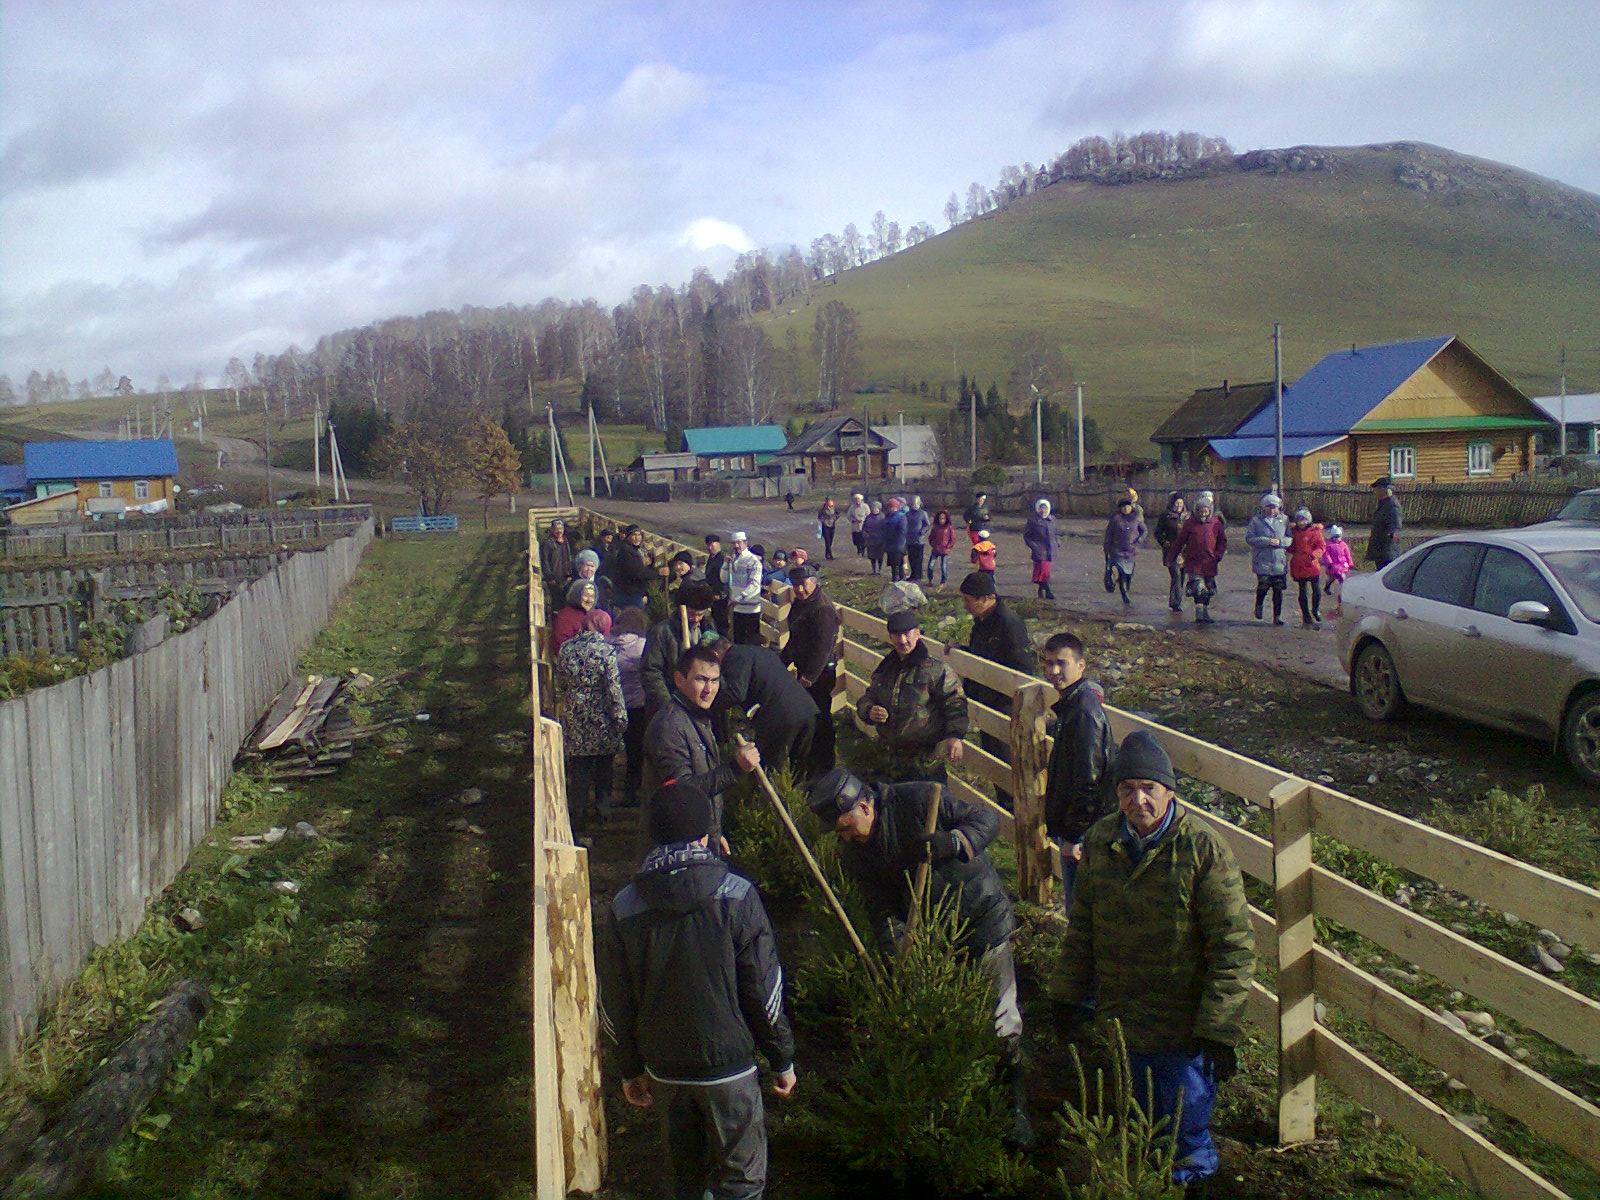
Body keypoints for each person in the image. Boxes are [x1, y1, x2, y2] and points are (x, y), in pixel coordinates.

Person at [1056, 731, 1255, 1190]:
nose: (1138, 799)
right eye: (1127, 789)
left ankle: (1193, 1184)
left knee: (1185, 1123)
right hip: (1122, 1016)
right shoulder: (1102, 841)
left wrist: (1219, 1028)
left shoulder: (1202, 849)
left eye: (1148, 787)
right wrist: (1067, 995)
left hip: (1182, 1024)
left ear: (1168, 790)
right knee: (1134, 1118)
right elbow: (1082, 927)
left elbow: (1233, 945)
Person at [808, 768, 1033, 1149]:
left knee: (1001, 1017)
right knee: (950, 1018)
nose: (843, 837)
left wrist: (954, 842)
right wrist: (898, 950)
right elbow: (879, 908)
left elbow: (986, 818)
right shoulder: (856, 852)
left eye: (845, 827)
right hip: (933, 939)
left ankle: (1013, 1108)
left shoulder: (917, 799)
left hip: (979, 916)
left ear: (865, 806)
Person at [598, 781, 796, 1200]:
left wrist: (630, 1067)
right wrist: (781, 1057)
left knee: (683, 1178)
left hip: (665, 1068)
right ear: (705, 836)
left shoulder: (624, 906)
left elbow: (616, 999)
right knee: (741, 1179)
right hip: (730, 1066)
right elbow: (763, 987)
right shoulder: (738, 896)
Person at [641, 645, 763, 850]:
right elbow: (683, 794)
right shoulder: (670, 727)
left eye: (714, 681)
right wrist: (735, 768)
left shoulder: (698, 716)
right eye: (701, 680)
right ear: (679, 680)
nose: (709, 690)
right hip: (677, 849)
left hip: (701, 840)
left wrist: (714, 834)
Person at [1040, 632, 1113, 914]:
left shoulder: (1083, 712)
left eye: (1061, 663)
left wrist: (1074, 835)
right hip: (1079, 826)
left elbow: (1089, 779)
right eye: (1048, 664)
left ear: (1081, 666)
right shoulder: (1074, 705)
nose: (1054, 671)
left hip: (1084, 832)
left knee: (1080, 910)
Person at [856, 609, 967, 783]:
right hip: (889, 758)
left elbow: (955, 703)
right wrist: (870, 711)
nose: (902, 640)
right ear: (891, 637)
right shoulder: (885, 669)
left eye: (906, 634)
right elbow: (867, 698)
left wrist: (955, 735)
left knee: (928, 806)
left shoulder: (935, 670)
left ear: (917, 634)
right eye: (896, 635)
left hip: (925, 761)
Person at [959, 571, 1033, 809]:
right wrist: (961, 652)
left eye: (968, 601)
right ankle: (1003, 810)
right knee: (993, 761)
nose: (965, 607)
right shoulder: (982, 622)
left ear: (985, 598)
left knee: (1006, 762)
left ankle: (1014, 812)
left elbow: (1023, 670)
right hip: (985, 702)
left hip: (1004, 706)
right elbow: (980, 655)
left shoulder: (1009, 625)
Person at [555, 626, 627, 838]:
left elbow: (561, 682)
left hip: (575, 714)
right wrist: (621, 718)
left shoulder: (566, 648)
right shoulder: (606, 651)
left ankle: (578, 813)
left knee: (580, 770)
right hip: (601, 717)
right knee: (604, 768)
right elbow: (614, 689)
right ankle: (603, 810)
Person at [709, 639, 820, 773]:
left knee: (774, 768)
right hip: (806, 709)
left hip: (780, 718)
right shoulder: (760, 652)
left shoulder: (734, 657)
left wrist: (709, 706)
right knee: (798, 768)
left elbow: (735, 693)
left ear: (715, 654)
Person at [780, 563, 840, 771]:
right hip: (804, 668)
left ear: (814, 582)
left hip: (819, 673)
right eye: (795, 585)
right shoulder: (800, 604)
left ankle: (825, 762)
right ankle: (810, 756)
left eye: (803, 584)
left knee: (820, 715)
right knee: (808, 714)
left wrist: (809, 676)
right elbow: (795, 638)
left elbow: (823, 648)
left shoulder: (822, 609)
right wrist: (781, 662)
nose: (799, 589)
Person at [641, 581, 717, 715]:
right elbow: (651, 671)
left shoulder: (709, 628)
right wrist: (668, 705)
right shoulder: (662, 632)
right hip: (671, 704)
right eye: (691, 614)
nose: (696, 619)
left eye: (700, 614)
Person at [608, 606, 651, 805]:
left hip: (611, 704)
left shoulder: (607, 643)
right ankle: (631, 792)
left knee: (608, 751)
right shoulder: (643, 646)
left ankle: (605, 793)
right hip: (637, 706)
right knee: (635, 751)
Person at [1174, 494, 1227, 624]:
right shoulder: (1190, 524)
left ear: (1210, 510)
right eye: (1201, 511)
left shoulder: (1216, 523)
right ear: (1196, 511)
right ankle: (1199, 613)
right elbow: (1180, 541)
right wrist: (1173, 556)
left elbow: (1222, 541)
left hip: (1210, 562)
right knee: (1198, 588)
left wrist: (1218, 555)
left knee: (1208, 590)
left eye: (1206, 511)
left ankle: (1205, 612)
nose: (1203, 513)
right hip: (1193, 562)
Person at [1246, 494, 1290, 626]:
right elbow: (1249, 538)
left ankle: (1277, 616)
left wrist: (1281, 541)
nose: (1272, 510)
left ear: (1279, 508)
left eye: (1274, 508)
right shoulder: (1256, 521)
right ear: (1264, 507)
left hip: (1279, 561)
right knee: (1263, 587)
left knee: (1278, 590)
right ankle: (1259, 605)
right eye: (1269, 507)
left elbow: (1290, 537)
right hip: (1263, 560)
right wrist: (1267, 541)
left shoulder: (1285, 520)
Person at [1102, 496, 1146, 605]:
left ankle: (1125, 587)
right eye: (1123, 507)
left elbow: (1144, 530)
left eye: (1128, 506)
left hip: (1131, 551)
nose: (1126, 509)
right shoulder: (1115, 519)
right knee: (1121, 574)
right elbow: (1108, 534)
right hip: (1117, 551)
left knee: (1129, 575)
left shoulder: (1137, 518)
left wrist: (1140, 539)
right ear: (1120, 508)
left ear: (1131, 507)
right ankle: (1124, 594)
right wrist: (1106, 549)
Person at [1289, 506, 1327, 628]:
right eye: (1299, 520)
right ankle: (1306, 615)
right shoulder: (1294, 532)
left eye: (1304, 520)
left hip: (1311, 564)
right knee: (1302, 590)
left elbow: (1321, 546)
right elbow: (1291, 547)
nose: (1301, 522)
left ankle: (1315, 610)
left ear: (1308, 520)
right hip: (1299, 564)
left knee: (1316, 589)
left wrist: (1314, 555)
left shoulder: (1315, 532)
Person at [724, 531, 764, 645]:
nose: (736, 546)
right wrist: (725, 564)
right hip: (737, 608)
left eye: (739, 543)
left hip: (750, 609)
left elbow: (755, 584)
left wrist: (739, 598)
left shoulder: (753, 561)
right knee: (738, 641)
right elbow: (723, 579)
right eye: (734, 543)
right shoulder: (734, 560)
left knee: (752, 642)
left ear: (746, 543)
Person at [552, 578, 613, 651]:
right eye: (585, 595)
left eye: (592, 596)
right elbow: (560, 646)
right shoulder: (566, 616)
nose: (589, 600)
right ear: (576, 595)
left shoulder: (596, 616)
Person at [1153, 493, 1189, 613]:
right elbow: (1157, 533)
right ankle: (1175, 604)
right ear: (1172, 503)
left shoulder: (1188, 517)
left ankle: (1175, 601)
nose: (1179, 505)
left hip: (1185, 552)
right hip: (1171, 551)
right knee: (1176, 576)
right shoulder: (1165, 516)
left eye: (1181, 502)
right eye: (1177, 503)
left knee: (1182, 577)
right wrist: (1164, 543)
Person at [612, 525, 657, 611]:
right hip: (629, 594)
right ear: (628, 536)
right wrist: (658, 573)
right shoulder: (626, 551)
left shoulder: (635, 550)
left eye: (639, 535)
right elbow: (638, 573)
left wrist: (650, 564)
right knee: (634, 618)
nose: (637, 538)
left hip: (634, 592)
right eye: (634, 535)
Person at [1024, 498, 1059, 600]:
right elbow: (1027, 536)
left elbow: (1055, 533)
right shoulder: (1033, 521)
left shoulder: (1052, 520)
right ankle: (1048, 591)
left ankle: (1041, 589)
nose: (1043, 510)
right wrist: (1034, 547)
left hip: (1050, 550)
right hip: (1039, 550)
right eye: (1041, 508)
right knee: (1044, 571)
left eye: (1045, 508)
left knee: (1045, 572)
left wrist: (1057, 542)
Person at [1368, 476, 1403, 568]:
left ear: (1384, 490)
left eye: (1377, 488)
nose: (1375, 491)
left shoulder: (1392, 506)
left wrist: (1393, 533)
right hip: (1380, 550)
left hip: (1387, 552)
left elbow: (1395, 524)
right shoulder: (1383, 504)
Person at [1323, 525, 1354, 617]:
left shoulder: (1343, 545)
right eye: (1335, 537)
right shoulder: (1328, 545)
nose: (1337, 539)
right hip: (1333, 566)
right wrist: (1329, 563)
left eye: (1338, 537)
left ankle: (1341, 592)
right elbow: (1326, 555)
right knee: (1332, 578)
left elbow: (1347, 554)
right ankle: (1328, 587)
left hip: (1342, 565)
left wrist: (1350, 562)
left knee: (1341, 578)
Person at [574, 549, 616, 614]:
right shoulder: (574, 584)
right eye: (587, 565)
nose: (589, 569)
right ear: (580, 566)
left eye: (592, 566)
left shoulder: (601, 583)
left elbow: (605, 606)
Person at [704, 534, 730, 635]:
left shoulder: (723, 558)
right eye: (708, 545)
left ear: (718, 543)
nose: (710, 547)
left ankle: (723, 642)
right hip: (712, 594)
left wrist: (721, 593)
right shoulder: (711, 557)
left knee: (721, 621)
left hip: (720, 596)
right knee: (714, 619)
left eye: (712, 544)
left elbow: (725, 578)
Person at [539, 518, 574, 584]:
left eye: (561, 529)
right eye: (556, 529)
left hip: (565, 578)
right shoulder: (547, 543)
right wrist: (550, 577)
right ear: (552, 530)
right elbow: (545, 561)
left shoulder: (565, 541)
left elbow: (568, 558)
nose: (559, 531)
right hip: (553, 579)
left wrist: (569, 574)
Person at [905, 495, 931, 583]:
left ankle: (918, 575)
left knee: (918, 559)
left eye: (916, 504)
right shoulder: (907, 514)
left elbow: (927, 525)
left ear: (920, 504)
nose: (915, 505)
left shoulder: (923, 513)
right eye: (913, 504)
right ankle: (913, 574)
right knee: (911, 558)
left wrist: (922, 532)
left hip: (919, 540)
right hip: (909, 540)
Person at [882, 496, 909, 581]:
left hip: (898, 544)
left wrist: (893, 537)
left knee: (899, 562)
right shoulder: (888, 516)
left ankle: (901, 578)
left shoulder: (901, 517)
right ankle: (895, 578)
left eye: (892, 507)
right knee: (893, 563)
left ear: (896, 507)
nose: (891, 509)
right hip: (890, 544)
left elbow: (902, 531)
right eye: (889, 507)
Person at [862, 501, 886, 575]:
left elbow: (886, 528)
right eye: (873, 508)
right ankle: (873, 570)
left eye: (876, 508)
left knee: (880, 556)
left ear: (879, 508)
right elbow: (864, 527)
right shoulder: (868, 517)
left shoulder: (883, 517)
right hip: (871, 540)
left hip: (880, 540)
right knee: (872, 556)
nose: (874, 510)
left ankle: (879, 569)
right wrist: (865, 534)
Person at [846, 492, 871, 557]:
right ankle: (858, 549)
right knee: (856, 540)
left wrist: (864, 520)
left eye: (858, 500)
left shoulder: (865, 506)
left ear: (861, 500)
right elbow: (848, 516)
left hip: (863, 526)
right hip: (855, 527)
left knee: (863, 540)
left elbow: (869, 515)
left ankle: (862, 550)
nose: (857, 501)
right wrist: (853, 520)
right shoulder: (852, 507)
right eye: (856, 500)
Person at [817, 496, 840, 560]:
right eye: (828, 501)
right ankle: (830, 555)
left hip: (832, 526)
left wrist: (834, 518)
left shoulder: (834, 508)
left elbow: (838, 514)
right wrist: (823, 520)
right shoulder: (822, 508)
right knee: (827, 541)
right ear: (826, 502)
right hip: (825, 526)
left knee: (830, 541)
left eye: (830, 501)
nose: (829, 502)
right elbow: (819, 516)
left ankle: (827, 554)